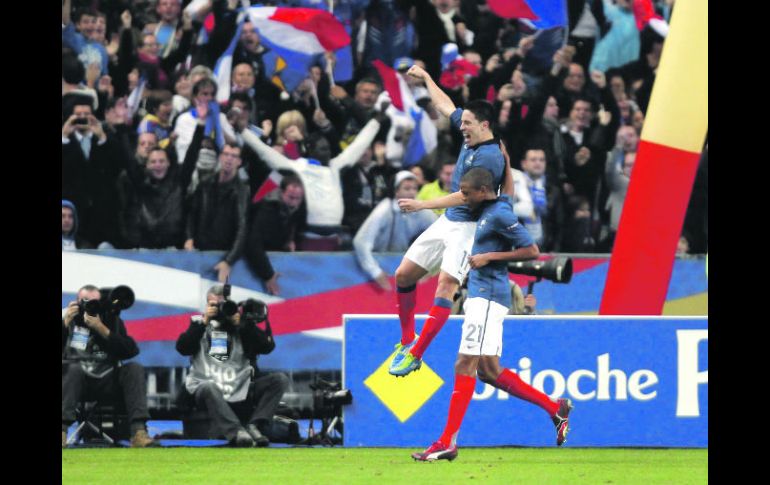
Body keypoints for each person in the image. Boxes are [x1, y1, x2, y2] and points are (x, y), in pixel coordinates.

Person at [409, 168, 572, 461]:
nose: (464, 199)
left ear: (483, 191)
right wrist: (505, 159)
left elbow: (531, 249)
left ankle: (447, 441)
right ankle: (554, 408)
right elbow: (505, 181)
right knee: (489, 371)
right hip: (480, 295)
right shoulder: (489, 207)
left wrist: (489, 257)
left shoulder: (500, 214)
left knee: (464, 363)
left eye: (468, 194)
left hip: (487, 297)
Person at [388, 63, 512, 376]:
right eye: (463, 123)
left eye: (468, 124)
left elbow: (466, 196)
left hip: (469, 229)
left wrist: (422, 205)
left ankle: (417, 353)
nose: (462, 127)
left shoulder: (490, 157)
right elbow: (448, 107)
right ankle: (407, 339)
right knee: (403, 275)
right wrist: (427, 78)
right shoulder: (472, 136)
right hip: (448, 222)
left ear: (484, 125)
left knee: (445, 287)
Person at [175, 285, 289, 447]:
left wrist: (243, 325)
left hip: (240, 388)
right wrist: (203, 323)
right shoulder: (198, 323)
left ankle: (255, 425)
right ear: (207, 305)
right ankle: (236, 432)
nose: (220, 309)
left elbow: (266, 347)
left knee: (279, 379)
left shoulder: (241, 325)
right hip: (206, 389)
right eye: (214, 305)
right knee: (208, 386)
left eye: (223, 304)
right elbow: (182, 348)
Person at [62, 285, 156, 448]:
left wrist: (101, 328)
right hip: (75, 381)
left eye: (94, 302)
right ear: (76, 302)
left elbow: (131, 350)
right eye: (85, 301)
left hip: (107, 380)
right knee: (74, 369)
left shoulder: (110, 319)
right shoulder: (67, 318)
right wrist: (65, 323)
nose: (89, 306)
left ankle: (139, 432)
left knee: (134, 368)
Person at [353, 171, 437, 291]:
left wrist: (430, 268)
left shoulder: (422, 211)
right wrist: (375, 272)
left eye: (414, 188)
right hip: (375, 261)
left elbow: (443, 237)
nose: (412, 192)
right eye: (407, 188)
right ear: (396, 191)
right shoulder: (384, 210)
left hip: (401, 264)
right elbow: (360, 242)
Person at [184, 142, 250, 283]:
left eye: (234, 156)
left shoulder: (242, 190)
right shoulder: (205, 182)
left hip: (223, 253)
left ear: (239, 162)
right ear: (220, 157)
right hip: (199, 251)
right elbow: (192, 213)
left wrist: (229, 260)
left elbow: (242, 228)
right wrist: (189, 237)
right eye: (226, 154)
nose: (229, 159)